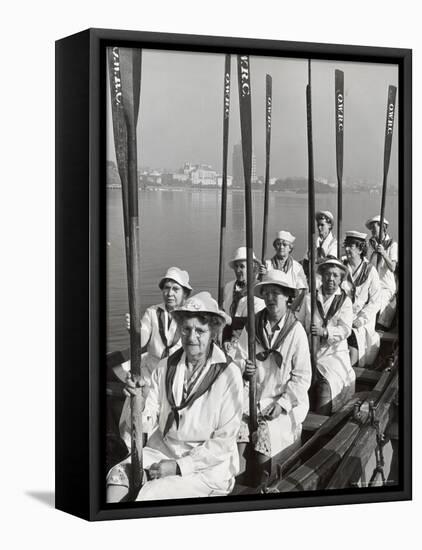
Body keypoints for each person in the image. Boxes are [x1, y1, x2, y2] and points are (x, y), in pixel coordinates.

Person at [107, 292, 243, 502]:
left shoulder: (229, 374)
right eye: (186, 329)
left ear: (214, 332)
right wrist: (139, 401)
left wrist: (178, 467)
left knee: (151, 494)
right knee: (117, 476)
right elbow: (146, 421)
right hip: (162, 451)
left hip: (207, 468)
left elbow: (224, 442)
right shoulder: (165, 366)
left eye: (200, 330)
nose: (192, 337)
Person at [234, 270, 312, 469]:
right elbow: (237, 360)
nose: (270, 298)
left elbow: (302, 378)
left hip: (283, 401)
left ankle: (264, 482)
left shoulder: (296, 331)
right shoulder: (252, 326)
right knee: (237, 438)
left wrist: (282, 404)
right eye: (266, 293)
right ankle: (238, 484)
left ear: (287, 297)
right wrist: (245, 369)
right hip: (252, 398)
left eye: (275, 293)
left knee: (265, 440)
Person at [123, 267, 192, 384]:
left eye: (175, 289)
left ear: (185, 293)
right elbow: (142, 342)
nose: (170, 293)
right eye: (166, 288)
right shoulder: (152, 312)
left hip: (179, 373)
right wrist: (135, 330)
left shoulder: (190, 315)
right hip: (151, 371)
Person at [310, 258, 355, 415]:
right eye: (327, 274)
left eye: (335, 275)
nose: (331, 279)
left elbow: (345, 329)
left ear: (341, 279)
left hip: (334, 352)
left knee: (327, 381)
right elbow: (298, 321)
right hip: (310, 350)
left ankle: (321, 422)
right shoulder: (310, 298)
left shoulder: (345, 301)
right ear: (321, 276)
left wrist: (325, 332)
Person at [342, 231, 381, 368]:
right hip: (341, 314)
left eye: (351, 246)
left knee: (354, 339)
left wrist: (361, 319)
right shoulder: (340, 267)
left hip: (360, 318)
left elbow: (376, 300)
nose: (347, 249)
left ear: (360, 249)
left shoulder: (370, 271)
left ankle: (350, 372)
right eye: (346, 245)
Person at [222, 246, 265, 355]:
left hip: (249, 345)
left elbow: (256, 321)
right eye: (236, 266)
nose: (238, 270)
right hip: (229, 345)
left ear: (252, 267)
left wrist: (231, 321)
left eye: (242, 266)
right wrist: (226, 339)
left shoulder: (259, 289)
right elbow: (225, 315)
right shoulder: (228, 287)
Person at [366, 215, 398, 329]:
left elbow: (393, 267)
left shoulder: (392, 245)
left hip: (385, 286)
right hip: (373, 284)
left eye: (374, 229)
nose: (372, 232)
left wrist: (384, 253)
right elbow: (368, 264)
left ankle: (379, 328)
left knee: (378, 302)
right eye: (371, 230)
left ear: (383, 228)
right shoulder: (371, 245)